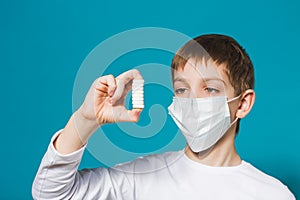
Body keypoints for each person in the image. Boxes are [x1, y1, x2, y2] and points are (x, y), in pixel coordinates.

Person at [32, 34, 295, 199]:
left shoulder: (272, 194)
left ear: (243, 104)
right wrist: (86, 119)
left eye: (210, 89)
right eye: (182, 89)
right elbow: (51, 193)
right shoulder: (140, 178)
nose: (192, 100)